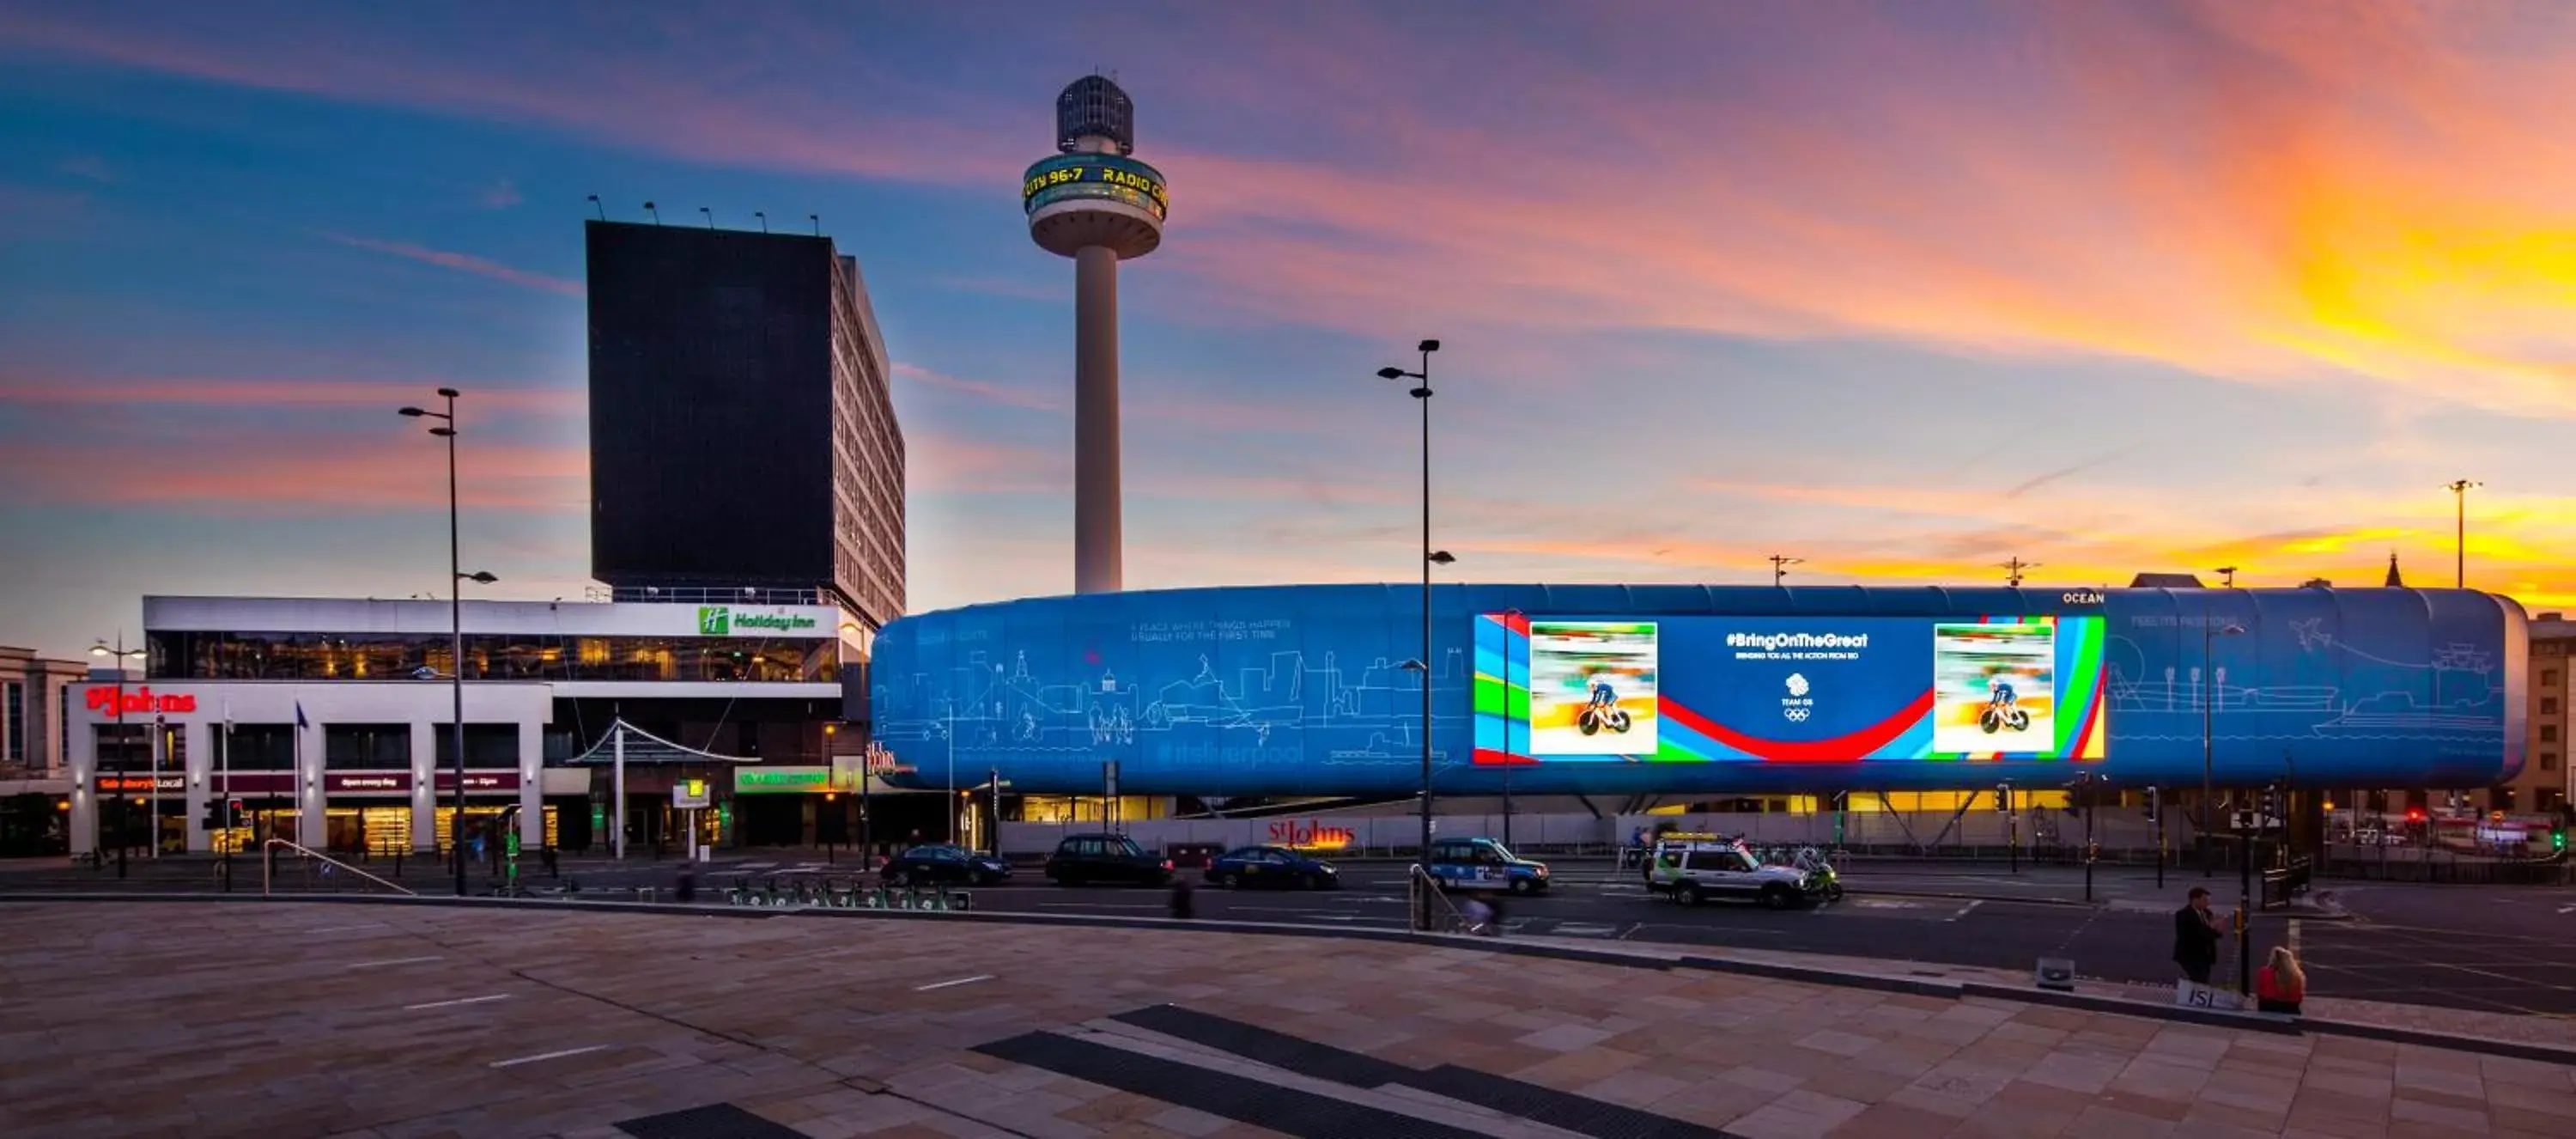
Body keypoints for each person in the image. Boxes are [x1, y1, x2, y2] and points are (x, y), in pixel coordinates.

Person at [2172, 886, 2223, 985]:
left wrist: (2218, 930)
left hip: (2205, 955)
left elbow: (2212, 934)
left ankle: (2192, 996)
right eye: (2205, 900)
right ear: (2195, 900)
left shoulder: (2207, 913)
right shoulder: (2184, 915)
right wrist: (2211, 927)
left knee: (2201, 980)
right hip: (2191, 955)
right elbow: (2192, 936)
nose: (2207, 903)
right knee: (2200, 980)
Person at [2257, 946, 2306, 1015]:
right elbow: (2299, 997)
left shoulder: (2265, 972)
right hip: (2292, 1009)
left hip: (2268, 1008)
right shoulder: (2298, 976)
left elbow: (2261, 993)